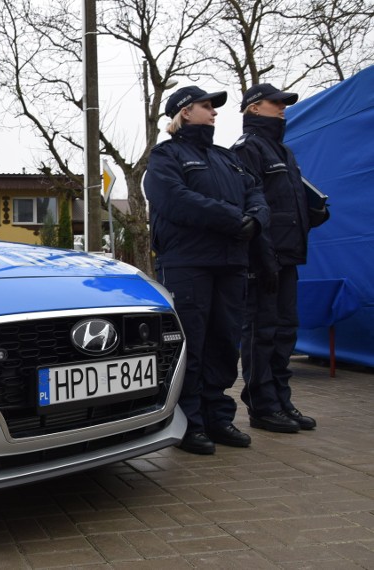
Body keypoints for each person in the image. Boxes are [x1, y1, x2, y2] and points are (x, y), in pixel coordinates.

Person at [144, 86, 269, 455]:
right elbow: (175, 199)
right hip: (187, 265)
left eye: (213, 107)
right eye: (205, 106)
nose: (213, 111)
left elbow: (256, 193)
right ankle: (189, 423)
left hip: (231, 263)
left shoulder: (227, 158)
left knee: (223, 343)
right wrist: (234, 219)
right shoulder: (165, 156)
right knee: (192, 346)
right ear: (184, 112)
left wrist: (256, 221)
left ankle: (218, 417)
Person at [232, 83, 330, 433]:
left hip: (288, 257)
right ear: (254, 109)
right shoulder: (247, 150)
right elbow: (250, 208)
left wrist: (314, 211)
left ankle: (281, 400)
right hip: (263, 259)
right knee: (262, 331)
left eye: (284, 103)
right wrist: (263, 256)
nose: (283, 108)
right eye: (276, 103)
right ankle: (262, 406)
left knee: (285, 330)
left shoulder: (283, 151)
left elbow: (289, 202)